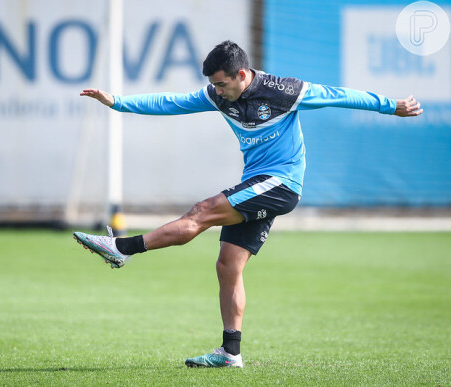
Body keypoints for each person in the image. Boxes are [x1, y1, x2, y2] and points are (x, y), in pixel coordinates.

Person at [73, 40, 423, 368]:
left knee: (202, 212)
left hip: (282, 182)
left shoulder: (284, 91)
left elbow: (340, 95)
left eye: (222, 83)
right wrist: (117, 102)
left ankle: (123, 248)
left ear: (242, 74)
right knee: (228, 265)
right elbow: (171, 102)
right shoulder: (218, 94)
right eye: (214, 85)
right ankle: (230, 352)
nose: (217, 91)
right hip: (256, 184)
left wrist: (392, 107)